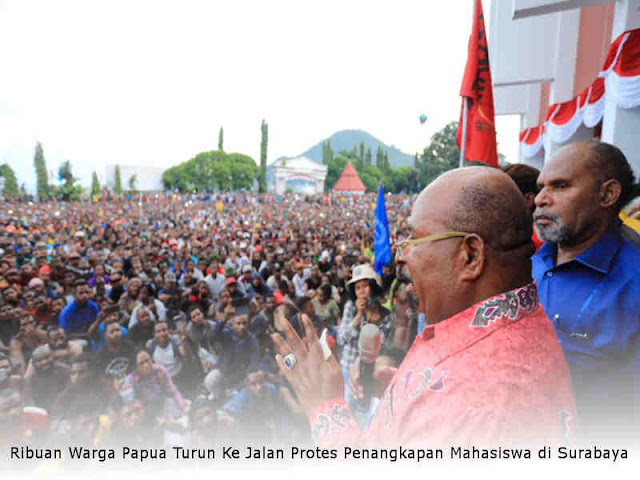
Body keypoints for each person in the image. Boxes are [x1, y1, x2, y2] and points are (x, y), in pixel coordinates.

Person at [272, 167, 576, 447]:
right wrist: (409, 392)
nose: (402, 256)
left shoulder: (478, 399)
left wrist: (324, 407)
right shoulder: (517, 329)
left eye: (415, 240)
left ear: (470, 256)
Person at [532, 141, 640, 440]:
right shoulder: (527, 267)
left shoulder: (634, 283)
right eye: (541, 187)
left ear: (607, 194)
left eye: (560, 186)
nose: (541, 199)